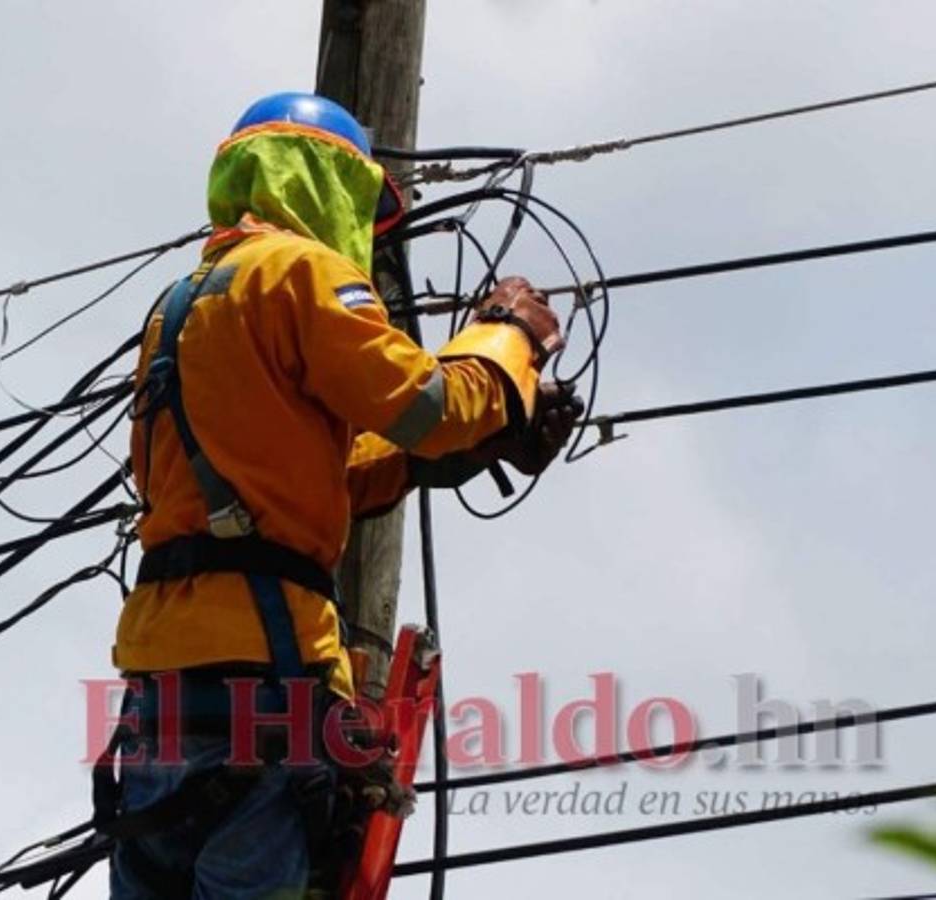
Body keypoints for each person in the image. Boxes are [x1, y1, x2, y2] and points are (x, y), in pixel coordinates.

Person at [103, 92, 581, 899]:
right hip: (268, 678)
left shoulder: (184, 302)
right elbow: (426, 408)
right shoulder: (300, 270)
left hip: (161, 699)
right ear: (331, 184)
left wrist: (447, 458)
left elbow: (299, 484)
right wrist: (507, 340)